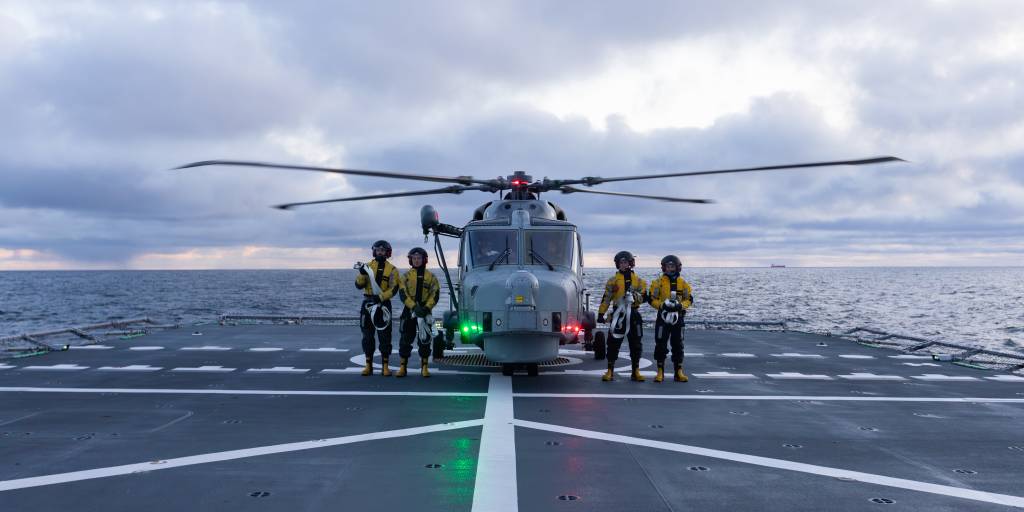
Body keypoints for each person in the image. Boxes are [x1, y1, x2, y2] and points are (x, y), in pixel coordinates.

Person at [597, 251, 648, 382]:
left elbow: (644, 297)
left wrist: (635, 297)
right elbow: (606, 298)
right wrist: (601, 313)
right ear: (617, 264)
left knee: (636, 344)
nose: (623, 265)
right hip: (618, 315)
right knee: (613, 343)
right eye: (621, 263)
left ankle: (635, 371)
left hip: (634, 314)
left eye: (625, 262)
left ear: (631, 263)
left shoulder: (640, 281)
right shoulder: (612, 281)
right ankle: (610, 371)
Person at [354, 240, 401, 376]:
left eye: (383, 250)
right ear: (374, 251)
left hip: (383, 305)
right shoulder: (367, 267)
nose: (380, 252)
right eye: (378, 250)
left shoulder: (392, 270)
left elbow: (394, 289)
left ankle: (385, 366)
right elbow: (358, 285)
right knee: (367, 335)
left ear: (387, 253)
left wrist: (380, 298)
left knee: (385, 336)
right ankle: (368, 365)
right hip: (368, 304)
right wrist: (362, 273)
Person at [648, 255, 693, 382]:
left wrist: (681, 306)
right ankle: (660, 371)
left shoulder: (683, 283)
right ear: (664, 268)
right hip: (663, 318)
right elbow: (651, 299)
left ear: (677, 267)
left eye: (672, 266)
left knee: (678, 344)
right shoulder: (658, 283)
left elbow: (689, 299)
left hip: (678, 318)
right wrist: (661, 305)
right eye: (668, 266)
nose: (670, 269)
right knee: (660, 344)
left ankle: (678, 372)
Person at [396, 247, 441, 377]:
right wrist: (414, 307)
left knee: (425, 340)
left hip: (425, 311)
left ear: (424, 260)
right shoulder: (405, 277)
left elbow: (435, 294)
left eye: (419, 258)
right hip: (409, 311)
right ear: (410, 260)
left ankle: (424, 367)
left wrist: (426, 308)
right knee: (405, 339)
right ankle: (403, 367)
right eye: (414, 258)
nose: (416, 260)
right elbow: (403, 294)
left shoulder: (431, 277)